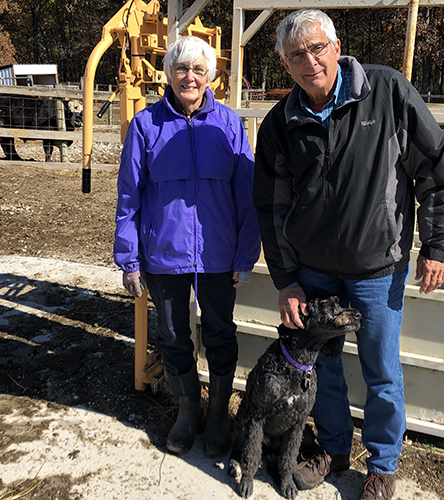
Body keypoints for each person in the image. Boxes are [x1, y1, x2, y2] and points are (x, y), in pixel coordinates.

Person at [252, 9, 444, 500]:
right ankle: (333, 449)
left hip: (376, 268)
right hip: (314, 271)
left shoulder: (386, 92)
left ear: (336, 46)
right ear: (286, 65)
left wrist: (436, 245)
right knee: (320, 366)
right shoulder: (282, 122)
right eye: (296, 55)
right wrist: (286, 280)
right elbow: (271, 206)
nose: (310, 62)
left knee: (381, 369)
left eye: (317, 48)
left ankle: (383, 466)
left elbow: (436, 169)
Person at [114, 36, 261, 457]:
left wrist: (245, 253)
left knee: (219, 334)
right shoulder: (146, 125)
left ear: (210, 76)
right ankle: (186, 408)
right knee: (175, 335)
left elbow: (247, 194)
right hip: (164, 254)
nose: (190, 77)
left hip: (218, 256)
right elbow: (129, 195)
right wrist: (129, 258)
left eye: (199, 70)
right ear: (169, 75)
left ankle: (217, 412)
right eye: (182, 69)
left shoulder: (229, 124)